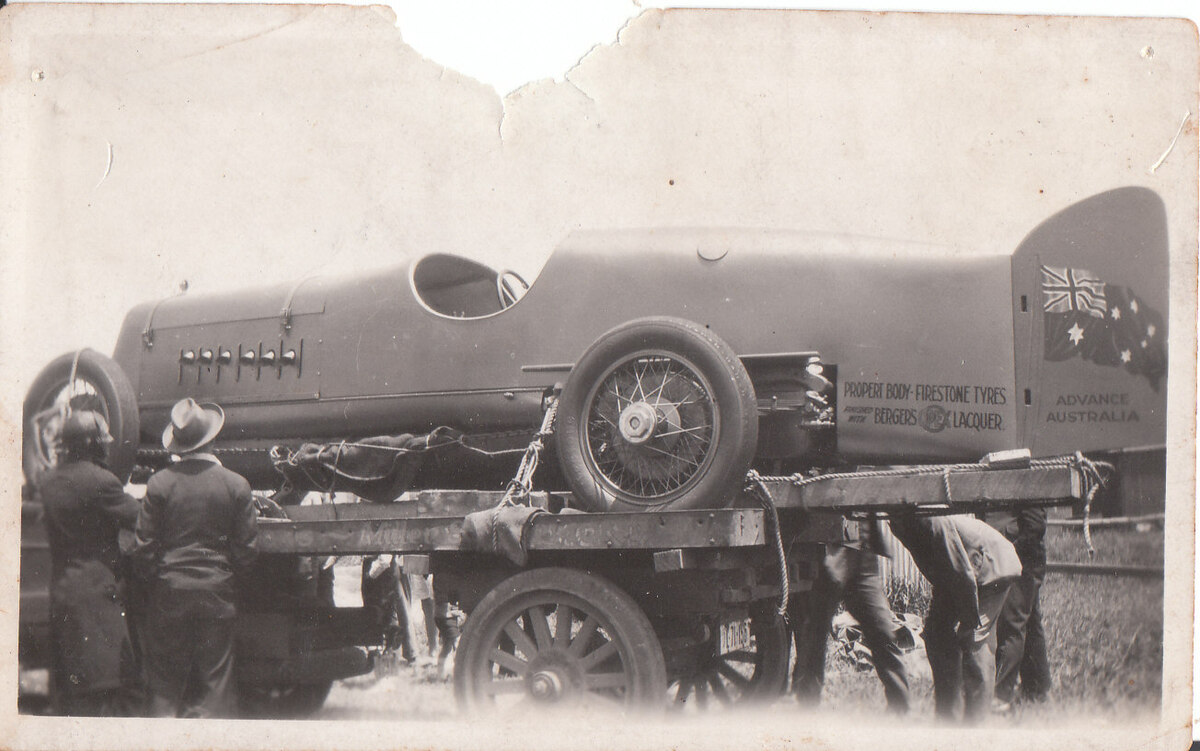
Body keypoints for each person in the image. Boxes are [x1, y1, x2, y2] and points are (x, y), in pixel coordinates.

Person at [132, 398, 257, 718]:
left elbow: (143, 547)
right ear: (212, 439)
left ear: (179, 444)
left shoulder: (159, 484)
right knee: (217, 685)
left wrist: (159, 581)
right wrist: (228, 580)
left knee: (164, 686)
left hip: (170, 593)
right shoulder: (237, 485)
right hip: (217, 592)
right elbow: (246, 552)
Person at [36, 410, 143, 716]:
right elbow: (141, 520)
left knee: (73, 691)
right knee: (108, 691)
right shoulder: (101, 481)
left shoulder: (48, 481)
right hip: (97, 601)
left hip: (63, 593)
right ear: (92, 442)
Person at [887, 513, 1021, 724]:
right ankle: (947, 716)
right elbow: (940, 564)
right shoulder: (899, 520)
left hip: (990, 567)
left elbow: (962, 572)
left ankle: (976, 725)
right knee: (935, 635)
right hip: (960, 569)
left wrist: (969, 619)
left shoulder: (930, 521)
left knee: (974, 641)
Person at [789, 518, 909, 714]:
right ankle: (806, 707)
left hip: (863, 556)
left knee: (882, 630)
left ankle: (900, 710)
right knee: (815, 635)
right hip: (831, 553)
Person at [988, 506, 1051, 710]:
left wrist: (1010, 548)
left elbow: (1035, 525)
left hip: (1022, 556)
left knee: (1011, 622)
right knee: (1029, 619)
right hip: (1009, 553)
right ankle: (1038, 689)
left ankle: (1001, 697)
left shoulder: (1027, 475)